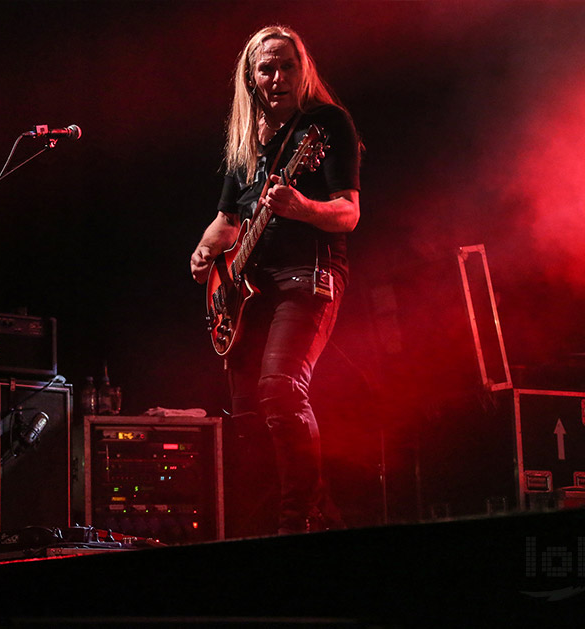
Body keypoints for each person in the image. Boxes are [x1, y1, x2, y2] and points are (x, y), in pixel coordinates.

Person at [190, 25, 361, 536]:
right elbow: (227, 220)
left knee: (281, 391)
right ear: (251, 77)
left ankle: (299, 523)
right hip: (248, 291)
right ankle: (301, 518)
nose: (278, 76)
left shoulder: (325, 125)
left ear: (302, 71)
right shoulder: (245, 140)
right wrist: (203, 251)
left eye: (288, 66)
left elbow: (348, 213)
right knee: (246, 418)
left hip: (309, 276)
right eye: (267, 67)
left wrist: (301, 206)